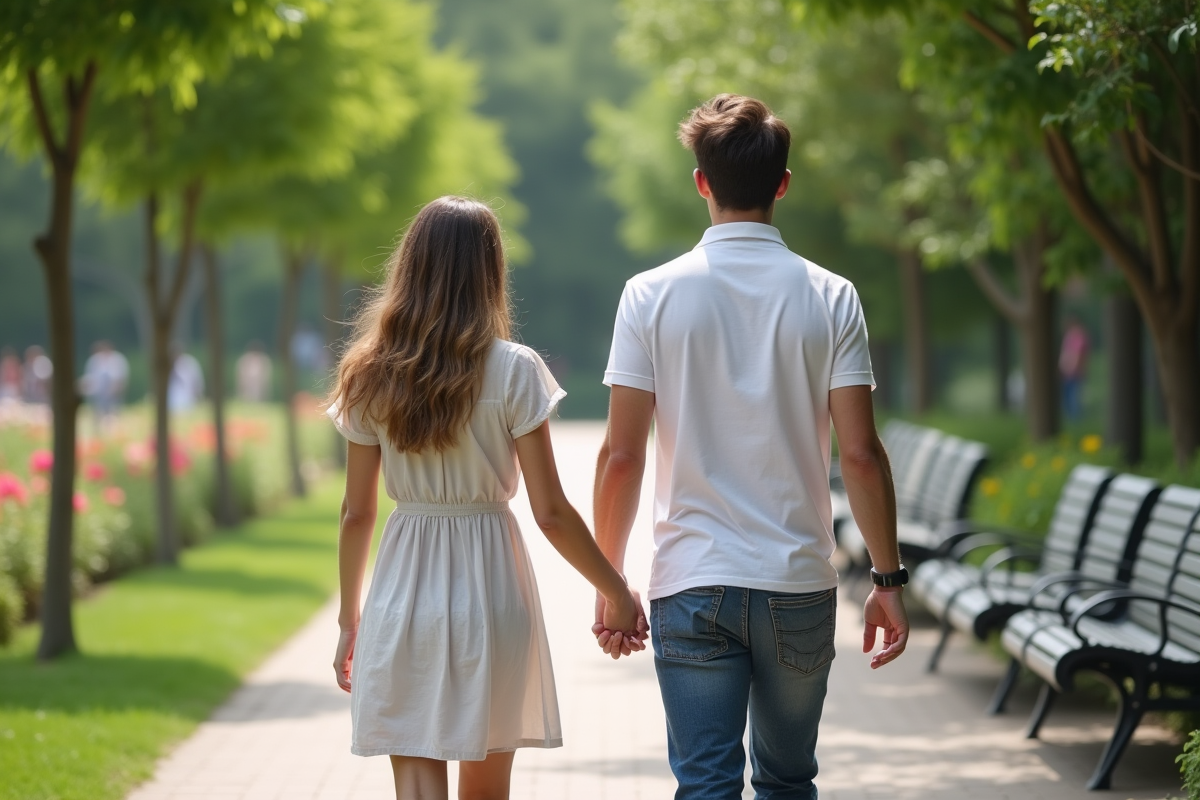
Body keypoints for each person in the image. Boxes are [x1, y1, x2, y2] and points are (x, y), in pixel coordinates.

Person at [591, 94, 908, 800]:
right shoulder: (833, 296)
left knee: (706, 784)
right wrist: (887, 583)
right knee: (788, 781)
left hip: (692, 581)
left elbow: (621, 457)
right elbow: (860, 454)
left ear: (701, 182)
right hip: (797, 583)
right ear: (783, 184)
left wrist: (612, 583)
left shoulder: (648, 296)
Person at [325, 196, 644, 800]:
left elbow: (357, 512)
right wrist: (614, 590)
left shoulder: (368, 372)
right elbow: (551, 513)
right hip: (491, 587)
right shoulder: (516, 370)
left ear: (409, 266)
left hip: (403, 590)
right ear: (490, 272)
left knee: (416, 780)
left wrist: (349, 621)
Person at [81, 340, 130, 434]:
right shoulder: (94, 360)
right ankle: (98, 432)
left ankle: (113, 433)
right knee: (97, 415)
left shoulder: (117, 359)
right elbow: (90, 378)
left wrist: (115, 391)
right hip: (97, 394)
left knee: (113, 415)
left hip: (114, 394)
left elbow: (120, 378)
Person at [1060, 314, 1090, 422]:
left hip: (1074, 372)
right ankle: (1071, 419)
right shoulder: (1069, 336)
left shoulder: (1079, 336)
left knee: (1074, 397)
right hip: (1067, 372)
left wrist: (1072, 368)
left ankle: (1075, 420)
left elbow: (1078, 355)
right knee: (1068, 396)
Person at [168, 345, 205, 413]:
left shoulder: (190, 363)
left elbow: (197, 383)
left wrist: (198, 399)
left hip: (189, 405)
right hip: (171, 407)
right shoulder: (166, 366)